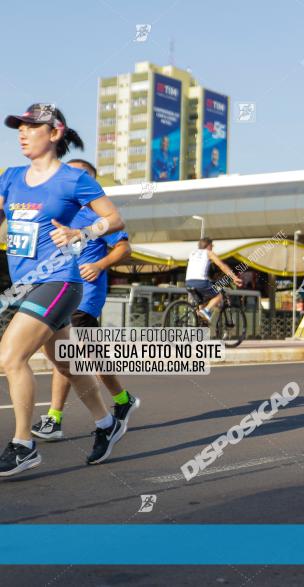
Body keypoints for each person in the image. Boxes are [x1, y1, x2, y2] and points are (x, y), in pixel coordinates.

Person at [0, 104, 128, 476]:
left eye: (31, 127)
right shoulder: (11, 177)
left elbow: (114, 218)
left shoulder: (73, 179)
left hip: (60, 281)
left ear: (54, 133)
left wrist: (82, 233)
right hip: (24, 284)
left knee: (10, 356)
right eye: (19, 127)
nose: (22, 133)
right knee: (67, 364)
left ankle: (23, 444)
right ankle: (108, 423)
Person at [30, 159, 139, 441]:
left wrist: (100, 265)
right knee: (85, 355)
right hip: (56, 292)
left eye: (77, 175)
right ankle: (123, 399)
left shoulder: (97, 217)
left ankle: (54, 419)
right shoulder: (57, 211)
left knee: (66, 355)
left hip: (84, 296)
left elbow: (125, 249)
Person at [184, 237, 243, 321]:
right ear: (208, 245)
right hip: (200, 282)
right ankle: (206, 311)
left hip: (188, 282)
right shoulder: (209, 253)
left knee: (203, 300)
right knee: (219, 295)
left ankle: (200, 318)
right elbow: (222, 265)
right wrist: (234, 277)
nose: (212, 247)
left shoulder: (192, 253)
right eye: (212, 245)